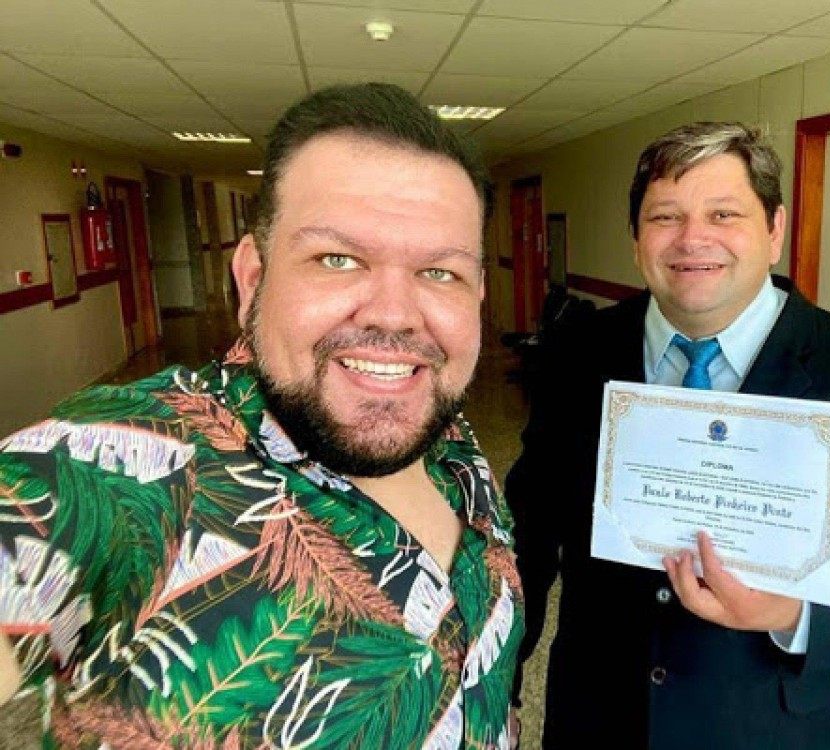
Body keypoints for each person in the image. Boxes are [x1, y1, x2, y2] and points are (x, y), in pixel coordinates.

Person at [0, 83, 523, 748]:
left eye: (440, 273)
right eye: (338, 258)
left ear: (477, 292)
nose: (395, 313)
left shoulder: (450, 438)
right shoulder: (143, 464)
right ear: (253, 277)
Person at [507, 121, 830, 749]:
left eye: (723, 213)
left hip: (774, 726)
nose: (692, 239)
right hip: (598, 719)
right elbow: (528, 532)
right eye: (665, 217)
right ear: (636, 240)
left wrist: (795, 614)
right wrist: (495, 684)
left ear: (775, 230)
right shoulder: (578, 352)